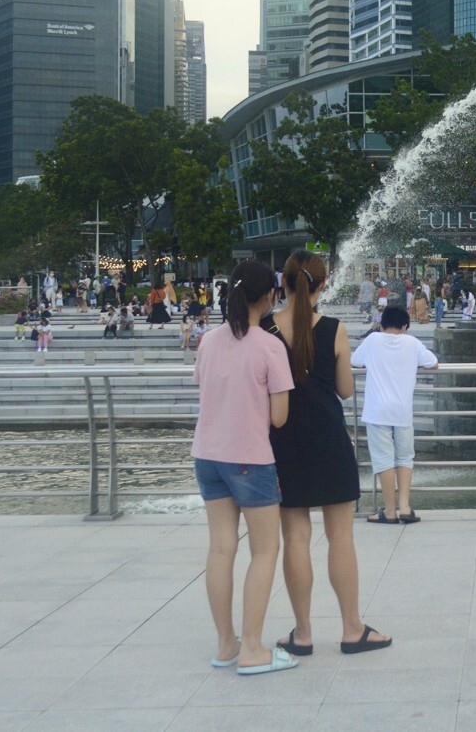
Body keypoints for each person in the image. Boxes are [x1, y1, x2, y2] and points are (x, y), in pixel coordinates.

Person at [263, 251, 393, 659]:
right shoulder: (334, 329)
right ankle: (352, 629)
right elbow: (345, 389)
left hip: (282, 441)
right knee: (341, 538)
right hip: (329, 440)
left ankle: (302, 634)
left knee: (295, 537)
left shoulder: (265, 329)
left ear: (282, 284)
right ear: (322, 285)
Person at [191, 259, 298, 675]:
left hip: (207, 456)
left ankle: (226, 645)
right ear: (269, 296)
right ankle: (253, 648)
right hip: (250, 460)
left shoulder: (209, 340)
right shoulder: (269, 346)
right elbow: (279, 417)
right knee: (265, 550)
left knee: (220, 548)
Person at [351, 305, 439, 524]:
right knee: (405, 457)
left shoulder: (372, 341)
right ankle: (405, 507)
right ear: (405, 326)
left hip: (377, 410)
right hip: (402, 411)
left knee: (383, 460)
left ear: (381, 325)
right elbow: (433, 364)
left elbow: (354, 361)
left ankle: (389, 511)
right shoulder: (412, 343)